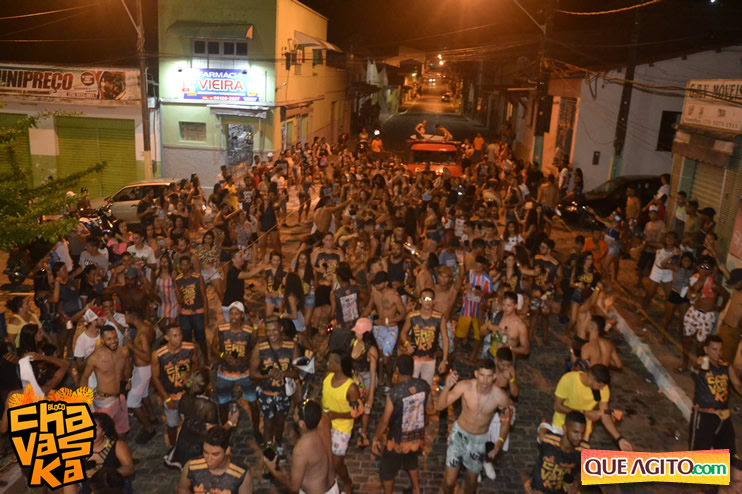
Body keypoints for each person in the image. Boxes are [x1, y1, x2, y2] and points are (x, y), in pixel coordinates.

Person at [437, 359, 511, 494]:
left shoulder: (500, 397)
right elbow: (440, 406)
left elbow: (506, 422)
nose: (485, 381)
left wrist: (498, 444)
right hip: (459, 435)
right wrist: (447, 387)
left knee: (471, 482)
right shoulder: (465, 387)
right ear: (476, 374)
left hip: (479, 441)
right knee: (449, 481)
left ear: (494, 376)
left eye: (489, 376)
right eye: (482, 375)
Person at [371, 355, 430, 494]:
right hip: (415, 436)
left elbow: (384, 421)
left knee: (387, 471)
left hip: (397, 439)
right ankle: (416, 489)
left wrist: (375, 438)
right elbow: (430, 407)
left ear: (397, 370)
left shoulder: (394, 393)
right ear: (412, 369)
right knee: (411, 461)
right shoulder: (424, 385)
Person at [166, 367, 239, 469]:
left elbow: (184, 422)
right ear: (208, 386)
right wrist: (230, 422)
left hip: (184, 443)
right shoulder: (208, 406)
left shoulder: (184, 398)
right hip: (197, 449)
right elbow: (213, 436)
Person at [549, 364, 632, 450]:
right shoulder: (569, 380)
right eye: (600, 386)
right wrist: (584, 413)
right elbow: (557, 406)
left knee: (579, 457)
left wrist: (619, 439)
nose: (602, 389)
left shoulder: (603, 388)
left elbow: (605, 415)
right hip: (562, 425)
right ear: (592, 379)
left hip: (583, 432)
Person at [264, 399, 338, 494]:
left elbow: (294, 487)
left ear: (302, 424)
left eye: (295, 415)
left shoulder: (301, 449)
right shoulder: (324, 419)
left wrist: (272, 470)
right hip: (333, 487)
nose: (293, 416)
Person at [250, 317, 299, 458]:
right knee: (268, 424)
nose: (271, 334)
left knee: (280, 421)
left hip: (283, 393)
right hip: (266, 393)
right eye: (268, 331)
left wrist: (282, 374)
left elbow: (297, 372)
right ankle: (269, 452)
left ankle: (277, 444)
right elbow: (252, 373)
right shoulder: (260, 348)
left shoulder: (292, 347)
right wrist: (268, 375)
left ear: (281, 329)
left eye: (274, 330)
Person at [213, 301, 261, 440]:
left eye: (236, 313)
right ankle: (225, 430)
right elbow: (213, 347)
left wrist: (256, 328)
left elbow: (253, 345)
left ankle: (256, 430)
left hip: (244, 372)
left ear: (242, 315)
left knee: (253, 401)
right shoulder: (221, 329)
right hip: (225, 372)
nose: (233, 317)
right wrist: (223, 356)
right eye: (231, 313)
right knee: (223, 403)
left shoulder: (248, 330)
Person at [689, 335, 742, 455]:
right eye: (714, 349)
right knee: (698, 454)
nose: (718, 353)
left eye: (720, 350)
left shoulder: (726, 367)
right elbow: (695, 367)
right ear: (706, 349)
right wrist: (698, 363)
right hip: (704, 415)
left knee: (727, 454)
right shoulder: (702, 366)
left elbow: (738, 386)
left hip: (724, 417)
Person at [677, 255, 728, 373]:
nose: (704, 270)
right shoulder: (694, 279)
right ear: (697, 267)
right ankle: (684, 364)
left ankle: (697, 366)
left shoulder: (713, 285)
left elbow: (726, 294)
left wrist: (721, 307)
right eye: (702, 266)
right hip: (693, 312)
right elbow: (689, 294)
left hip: (706, 316)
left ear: (711, 270)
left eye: (707, 267)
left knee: (700, 345)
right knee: (686, 340)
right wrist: (694, 292)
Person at [322, 352, 363, 494]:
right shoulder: (328, 377)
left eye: (330, 361)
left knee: (337, 463)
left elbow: (357, 412)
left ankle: (347, 482)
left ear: (339, 365)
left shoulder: (351, 388)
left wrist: (335, 415)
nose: (327, 363)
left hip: (342, 429)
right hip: (326, 425)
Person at [151, 326, 200, 446]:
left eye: (180, 334)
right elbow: (155, 378)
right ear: (167, 338)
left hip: (187, 394)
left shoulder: (190, 348)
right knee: (172, 425)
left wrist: (191, 374)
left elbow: (196, 365)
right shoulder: (159, 355)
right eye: (175, 336)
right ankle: (173, 447)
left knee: (191, 421)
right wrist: (166, 398)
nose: (179, 338)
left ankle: (192, 444)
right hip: (171, 395)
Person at [80, 325, 132, 437]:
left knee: (122, 432)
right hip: (103, 403)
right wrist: (85, 401)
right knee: (105, 436)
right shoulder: (95, 358)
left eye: (115, 337)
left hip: (119, 398)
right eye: (109, 339)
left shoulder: (124, 352)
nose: (113, 341)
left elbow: (127, 371)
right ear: (102, 340)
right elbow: (84, 378)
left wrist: (128, 379)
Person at [399, 288, 448, 399]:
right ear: (420, 300)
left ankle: (423, 408)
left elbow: (445, 339)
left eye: (430, 299)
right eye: (425, 298)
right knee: (410, 387)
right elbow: (403, 333)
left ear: (434, 301)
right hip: (414, 359)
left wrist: (444, 360)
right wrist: (407, 344)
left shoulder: (439, 318)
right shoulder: (412, 316)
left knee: (426, 388)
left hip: (430, 359)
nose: (428, 301)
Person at [524, 411, 588, 494]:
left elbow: (582, 477)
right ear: (565, 429)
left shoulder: (584, 450)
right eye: (575, 432)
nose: (579, 437)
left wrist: (576, 486)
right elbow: (541, 433)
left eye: (582, 433)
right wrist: (544, 423)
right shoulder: (548, 441)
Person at [362, 271, 406, 388]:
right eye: (375, 283)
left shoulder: (394, 295)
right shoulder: (374, 292)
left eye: (379, 283)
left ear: (386, 283)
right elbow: (369, 307)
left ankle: (389, 380)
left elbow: (403, 314)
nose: (376, 285)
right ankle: (381, 379)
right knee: (380, 357)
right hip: (378, 329)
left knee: (386, 358)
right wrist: (361, 318)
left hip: (391, 329)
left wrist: (388, 321)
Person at [178, 427, 253, 494]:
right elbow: (183, 489)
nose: (209, 459)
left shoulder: (240, 474)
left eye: (215, 454)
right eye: (206, 452)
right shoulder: (192, 466)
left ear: (227, 451)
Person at [124, 310, 158, 444]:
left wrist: (131, 346)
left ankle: (149, 429)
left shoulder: (142, 333)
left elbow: (147, 357)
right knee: (144, 395)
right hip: (143, 369)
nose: (125, 317)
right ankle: (152, 417)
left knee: (132, 403)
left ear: (131, 316)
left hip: (143, 369)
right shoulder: (147, 326)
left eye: (126, 315)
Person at [82, 413, 135, 494]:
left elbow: (129, 469)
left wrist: (104, 475)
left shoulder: (117, 445)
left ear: (104, 431)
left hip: (112, 488)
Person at [348, 317, 378, 448]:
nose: (355, 333)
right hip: (355, 377)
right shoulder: (353, 342)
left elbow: (373, 373)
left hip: (366, 379)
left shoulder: (371, 350)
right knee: (353, 403)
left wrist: (371, 395)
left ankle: (363, 432)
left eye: (358, 332)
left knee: (366, 407)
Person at [175, 255, 210, 366]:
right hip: (185, 313)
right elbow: (179, 298)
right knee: (186, 340)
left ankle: (206, 359)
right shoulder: (178, 279)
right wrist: (179, 298)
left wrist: (206, 315)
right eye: (182, 265)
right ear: (180, 266)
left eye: (186, 265)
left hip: (198, 311)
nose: (185, 267)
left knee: (201, 338)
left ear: (190, 265)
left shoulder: (198, 277)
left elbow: (204, 296)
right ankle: (189, 361)